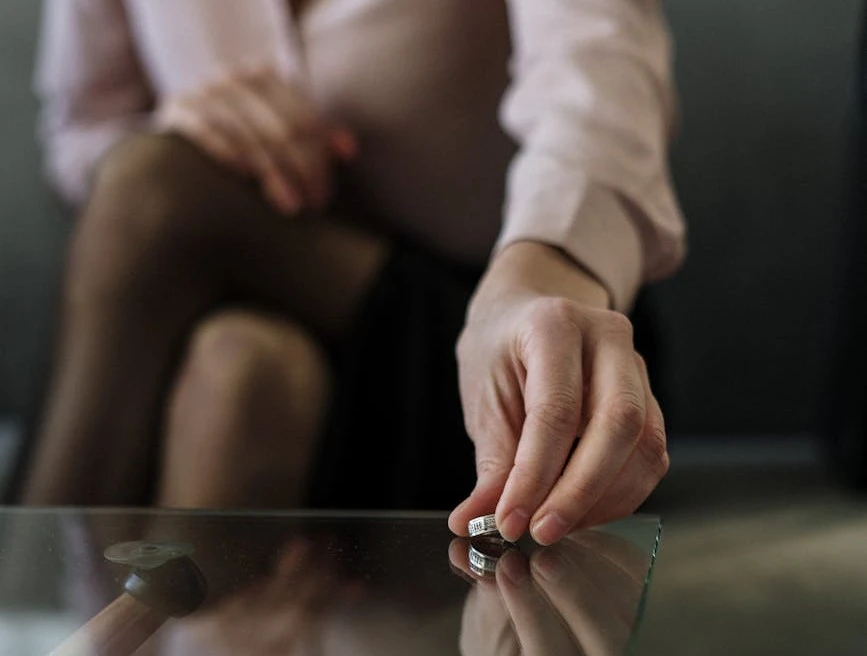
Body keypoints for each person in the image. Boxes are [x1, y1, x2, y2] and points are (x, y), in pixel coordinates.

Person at [21, 0, 685, 544]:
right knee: (242, 366)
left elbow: (600, 74)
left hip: (470, 342)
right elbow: (81, 131)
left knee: (153, 190)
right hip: (226, 318)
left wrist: (545, 271)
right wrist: (192, 130)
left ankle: (27, 609)